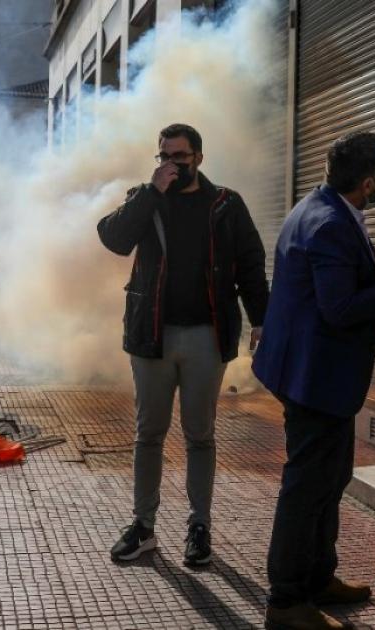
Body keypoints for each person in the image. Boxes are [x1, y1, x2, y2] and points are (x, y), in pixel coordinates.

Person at [98, 123, 269, 567]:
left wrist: (261, 319)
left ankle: (199, 526)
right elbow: (114, 239)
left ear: (199, 158)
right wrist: (151, 192)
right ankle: (143, 526)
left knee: (200, 435)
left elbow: (251, 263)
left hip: (206, 336)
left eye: (180, 156)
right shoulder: (145, 197)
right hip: (151, 335)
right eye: (164, 156)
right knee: (148, 433)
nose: (171, 165)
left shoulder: (225, 204)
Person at [251, 130, 375, 629]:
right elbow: (338, 308)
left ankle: (318, 577)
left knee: (330, 478)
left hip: (315, 371)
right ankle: (287, 602)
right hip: (313, 377)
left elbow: (327, 294)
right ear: (366, 182)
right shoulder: (331, 223)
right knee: (307, 487)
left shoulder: (325, 207)